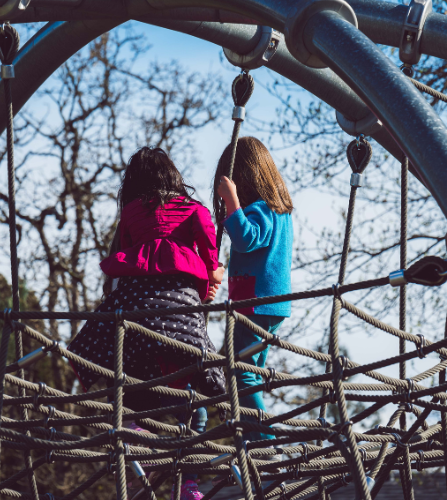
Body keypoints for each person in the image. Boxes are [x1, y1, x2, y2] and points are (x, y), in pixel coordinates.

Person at [67, 146, 226, 500]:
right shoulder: (194, 210)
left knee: (126, 364)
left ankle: (134, 426)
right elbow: (208, 245)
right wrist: (212, 273)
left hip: (136, 308)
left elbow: (124, 250)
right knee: (196, 390)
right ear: (173, 176)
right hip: (180, 312)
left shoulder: (131, 213)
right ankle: (188, 482)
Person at [213, 136, 293, 447]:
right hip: (269, 305)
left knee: (239, 373)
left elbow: (247, 239)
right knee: (250, 373)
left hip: (255, 305)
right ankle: (252, 433)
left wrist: (232, 201)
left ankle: (263, 439)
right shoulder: (280, 211)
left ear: (245, 177)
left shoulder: (261, 209)